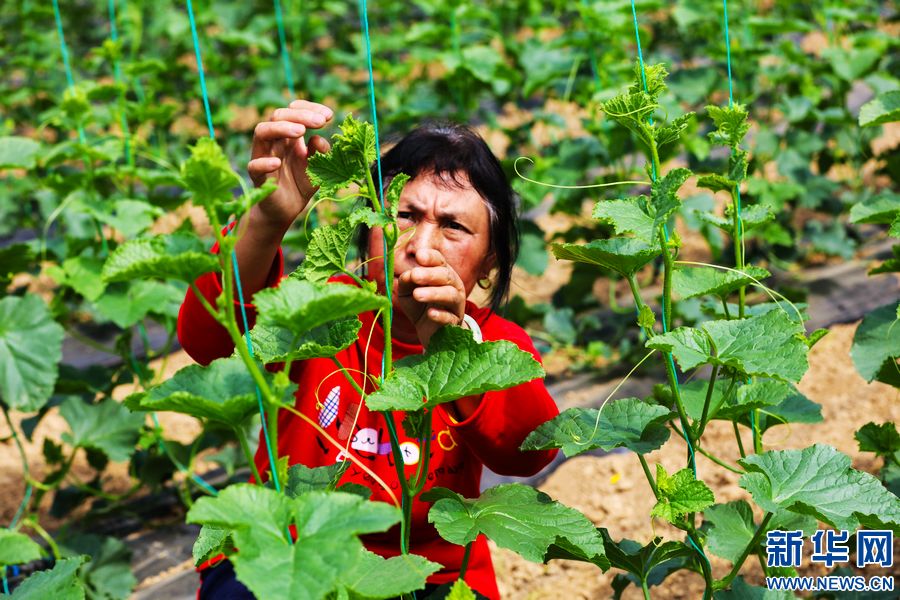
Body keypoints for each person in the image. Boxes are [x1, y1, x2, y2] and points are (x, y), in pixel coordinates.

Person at [178, 100, 560, 599]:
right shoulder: (321, 306)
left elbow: (530, 452)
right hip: (291, 549)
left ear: (490, 262)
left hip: (429, 570)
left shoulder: (493, 344)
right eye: (403, 214)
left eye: (453, 226)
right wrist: (266, 222)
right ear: (368, 226)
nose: (421, 246)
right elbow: (206, 341)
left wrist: (449, 347)